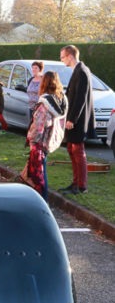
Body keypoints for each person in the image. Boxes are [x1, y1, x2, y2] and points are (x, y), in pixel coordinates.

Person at [24, 71, 68, 200]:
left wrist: (31, 139)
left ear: (44, 83)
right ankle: (41, 199)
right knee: (41, 171)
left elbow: (39, 125)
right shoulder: (61, 100)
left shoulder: (45, 102)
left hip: (40, 142)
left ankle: (42, 201)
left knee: (39, 175)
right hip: (50, 141)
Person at [59, 44, 96, 195]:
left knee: (78, 151)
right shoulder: (78, 70)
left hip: (78, 121)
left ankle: (81, 186)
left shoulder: (82, 72)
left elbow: (80, 99)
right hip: (73, 119)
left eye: (62, 57)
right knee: (71, 149)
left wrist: (72, 119)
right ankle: (75, 183)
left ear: (70, 56)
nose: (61, 60)